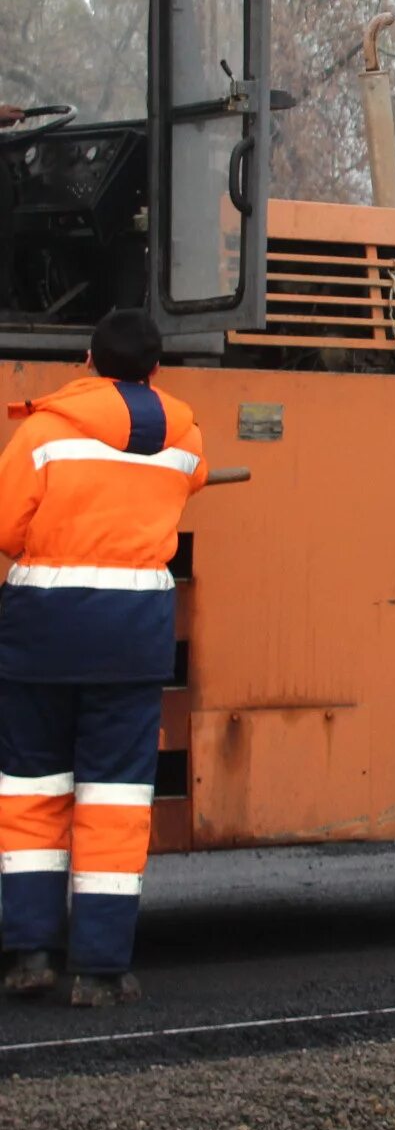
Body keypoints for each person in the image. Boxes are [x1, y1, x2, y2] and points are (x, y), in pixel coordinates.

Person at [0, 309, 207, 1006]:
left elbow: (6, 527)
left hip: (42, 638)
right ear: (155, 368)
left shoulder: (45, 430)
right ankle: (101, 970)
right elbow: (193, 480)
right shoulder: (184, 435)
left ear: (87, 359)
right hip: (131, 642)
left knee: (31, 796)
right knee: (115, 802)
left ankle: (29, 954)